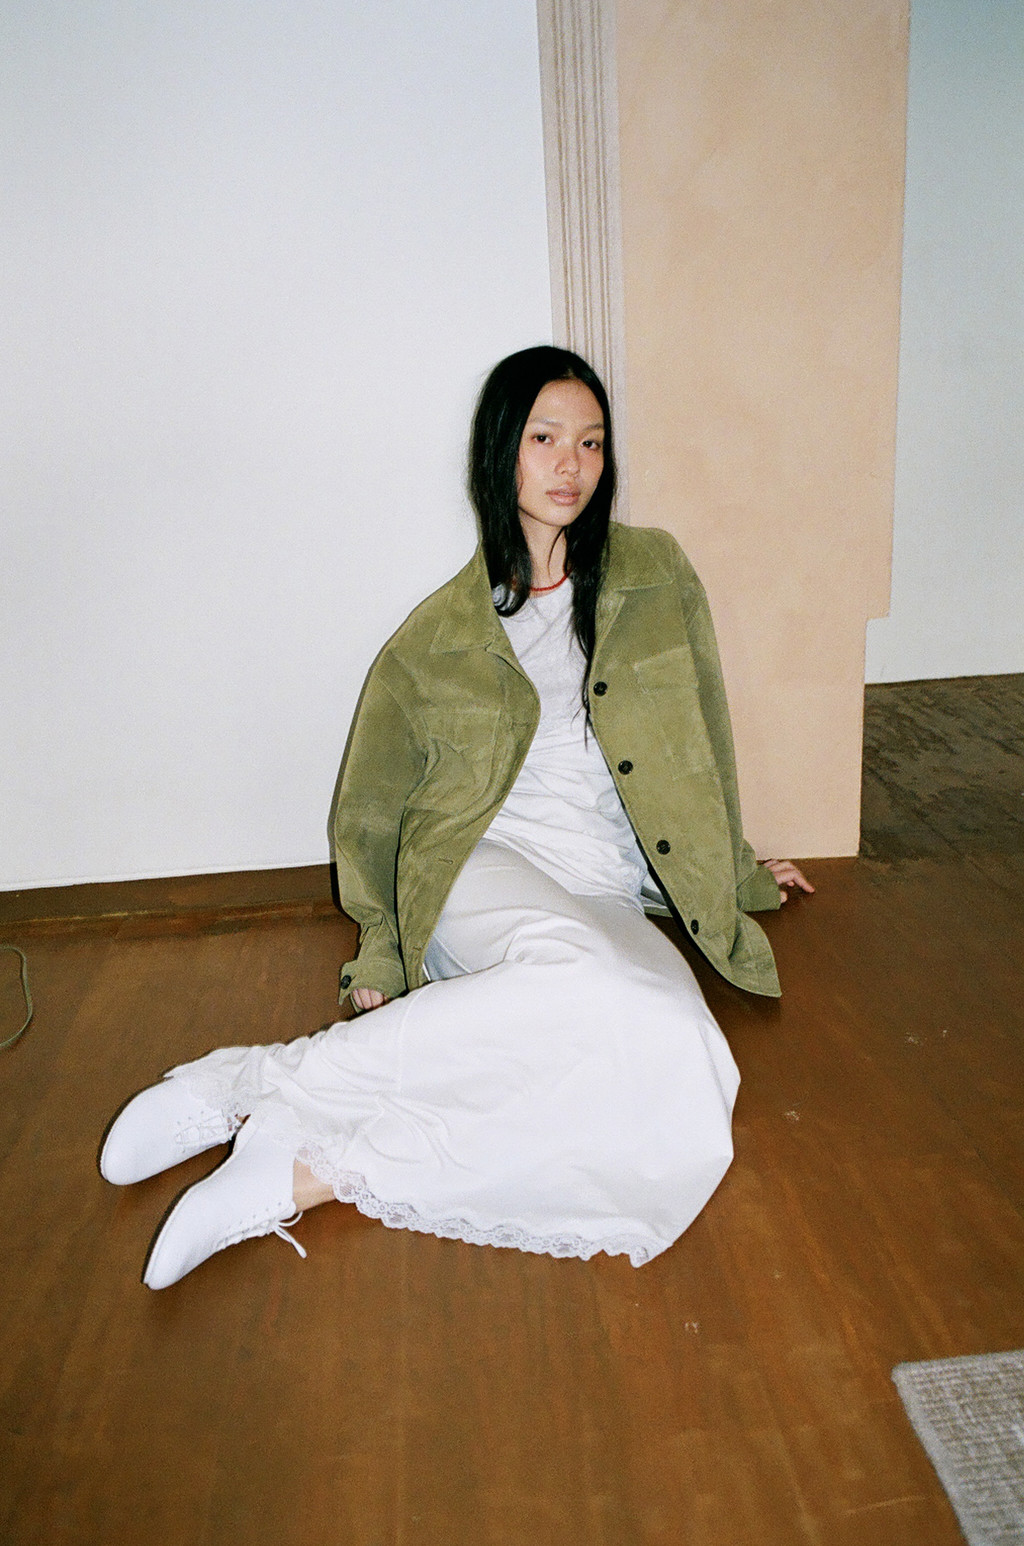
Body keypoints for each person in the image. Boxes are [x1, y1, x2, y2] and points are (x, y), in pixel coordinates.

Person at [99, 346, 813, 1289]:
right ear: (499, 453)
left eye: (591, 442)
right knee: (580, 979)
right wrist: (381, 952)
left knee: (683, 1054)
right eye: (545, 439)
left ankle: (295, 1174)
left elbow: (702, 735)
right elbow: (369, 810)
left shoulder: (657, 573)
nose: (571, 465)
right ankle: (246, 1083)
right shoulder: (434, 639)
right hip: (486, 862)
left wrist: (738, 867)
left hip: (603, 886)